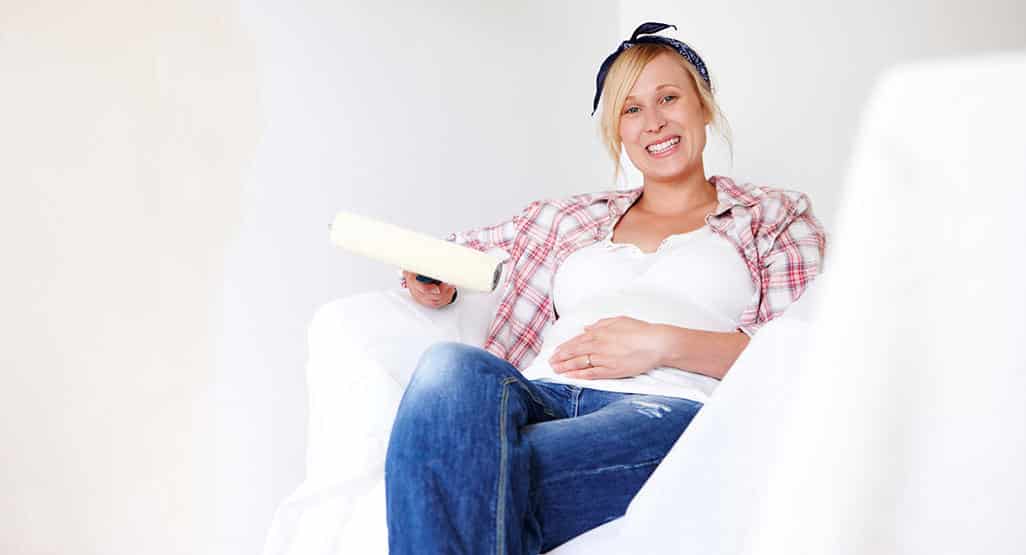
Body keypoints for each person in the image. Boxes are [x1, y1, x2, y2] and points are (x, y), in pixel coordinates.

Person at [386, 22, 826, 554]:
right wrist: (434, 279)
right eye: (631, 109)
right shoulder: (567, 218)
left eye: (669, 97)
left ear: (703, 106)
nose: (654, 121)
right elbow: (450, 253)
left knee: (459, 466)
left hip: (662, 406)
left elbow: (797, 356)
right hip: (538, 393)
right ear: (617, 129)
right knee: (446, 368)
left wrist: (662, 342)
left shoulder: (774, 218)